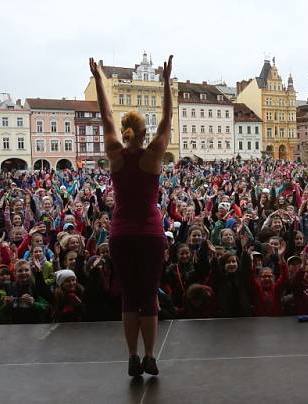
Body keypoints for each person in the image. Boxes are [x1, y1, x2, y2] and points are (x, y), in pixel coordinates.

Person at [90, 54, 173, 377]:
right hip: (151, 233)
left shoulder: (114, 151)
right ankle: (151, 355)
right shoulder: (154, 154)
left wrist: (99, 79)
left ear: (125, 131)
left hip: (121, 233)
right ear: (143, 131)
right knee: (149, 295)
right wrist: (166, 81)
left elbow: (106, 113)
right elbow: (167, 118)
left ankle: (132, 356)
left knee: (129, 296)